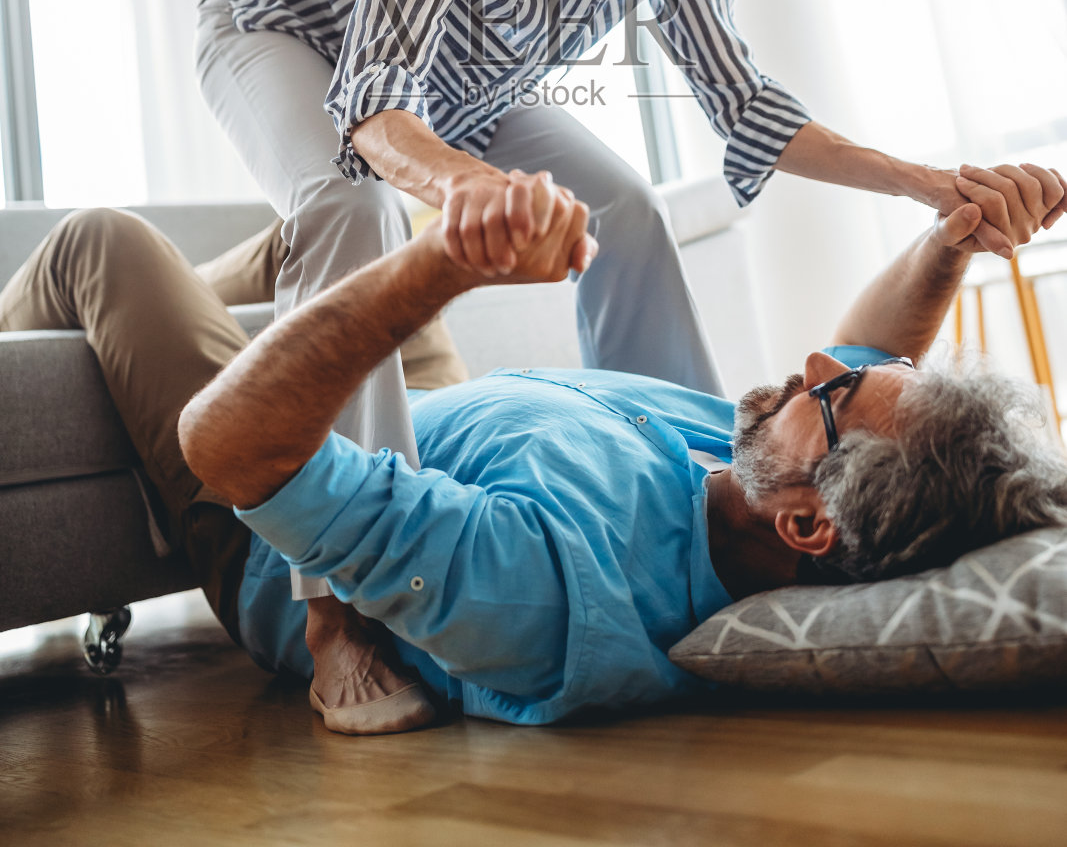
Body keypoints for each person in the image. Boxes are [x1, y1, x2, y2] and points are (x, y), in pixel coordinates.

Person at [193, 0, 1033, 722]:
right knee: (348, 202)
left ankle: (707, 493)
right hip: (290, 37)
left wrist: (927, 184)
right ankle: (342, 615)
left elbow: (747, 108)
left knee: (625, 205)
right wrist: (467, 195)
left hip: (464, 85)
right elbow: (370, 111)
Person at [5, 164, 1063, 730]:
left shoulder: (552, 584)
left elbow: (236, 452)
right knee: (344, 213)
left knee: (104, 241)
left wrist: (438, 272)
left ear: (809, 520)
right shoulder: (757, 481)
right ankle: (167, 330)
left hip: (271, 526)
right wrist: (947, 241)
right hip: (436, 412)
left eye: (827, 394)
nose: (809, 367)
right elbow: (873, 356)